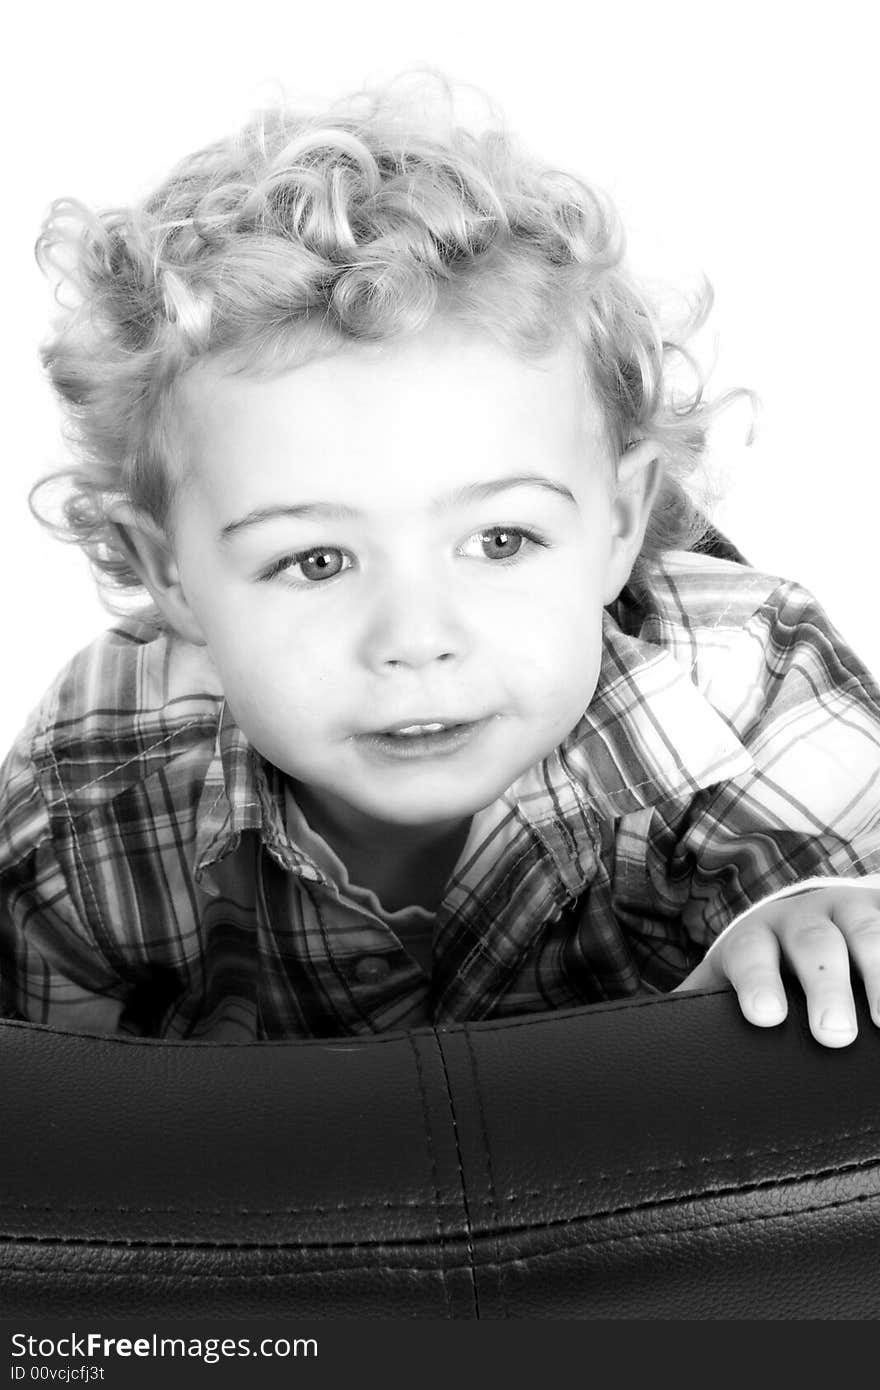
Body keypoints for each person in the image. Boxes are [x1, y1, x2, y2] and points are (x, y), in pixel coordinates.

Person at [3, 69, 880, 1046]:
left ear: (620, 522)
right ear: (168, 572)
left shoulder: (749, 682)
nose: (416, 639)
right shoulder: (93, 773)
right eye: (317, 560)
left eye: (499, 542)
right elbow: (55, 1141)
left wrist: (813, 921)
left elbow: (843, 954)